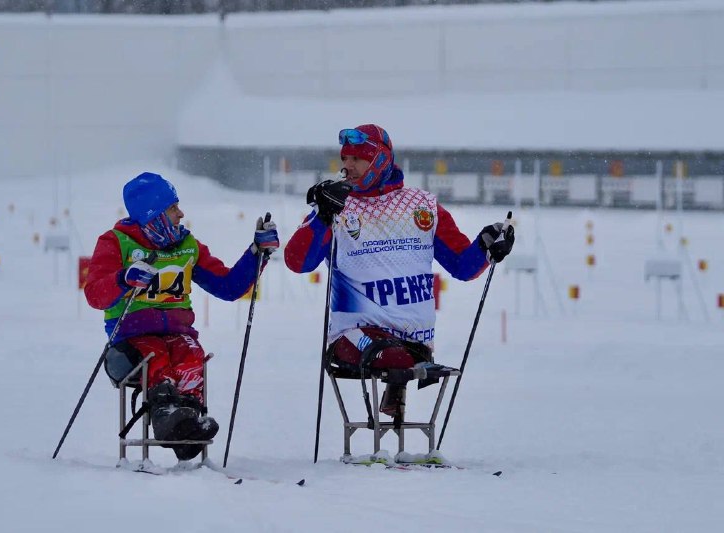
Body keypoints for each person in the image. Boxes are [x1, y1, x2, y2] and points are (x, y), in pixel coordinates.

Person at [284, 124, 514, 419]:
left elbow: (462, 266)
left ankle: (397, 387)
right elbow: (297, 262)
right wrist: (321, 217)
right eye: (344, 158)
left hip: (415, 341)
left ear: (380, 160)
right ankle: (395, 387)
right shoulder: (336, 206)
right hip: (355, 337)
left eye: (357, 159)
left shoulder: (423, 206)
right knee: (393, 357)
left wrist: (487, 245)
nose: (347, 166)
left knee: (400, 357)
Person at [84, 171, 279, 461]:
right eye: (173, 207)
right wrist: (123, 278)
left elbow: (228, 287)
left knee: (191, 356)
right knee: (156, 357)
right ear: (153, 214)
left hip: (178, 334)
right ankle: (167, 417)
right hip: (129, 342)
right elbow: (95, 295)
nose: (181, 214)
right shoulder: (117, 242)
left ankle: (189, 421)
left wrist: (257, 253)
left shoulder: (187, 245)